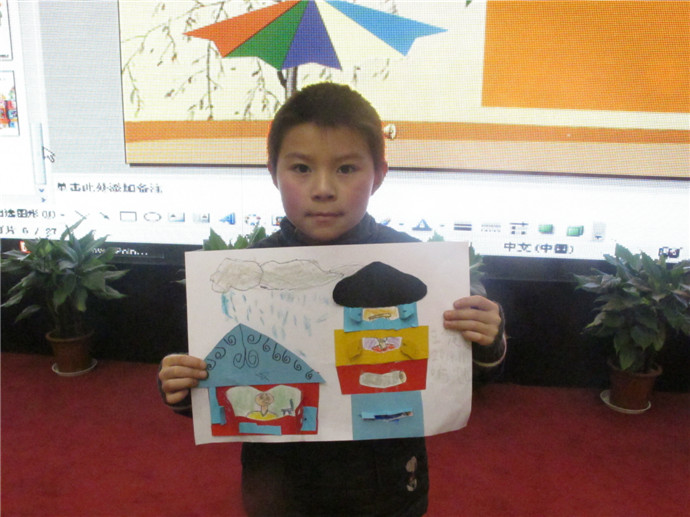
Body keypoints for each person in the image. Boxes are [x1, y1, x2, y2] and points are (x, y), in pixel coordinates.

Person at [159, 82, 506, 517]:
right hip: (279, 491)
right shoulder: (244, 277)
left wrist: (487, 341)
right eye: (301, 168)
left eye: (346, 168)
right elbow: (215, 385)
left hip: (387, 490)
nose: (323, 188)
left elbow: (464, 380)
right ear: (273, 173)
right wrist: (180, 387)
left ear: (379, 174)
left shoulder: (418, 268)